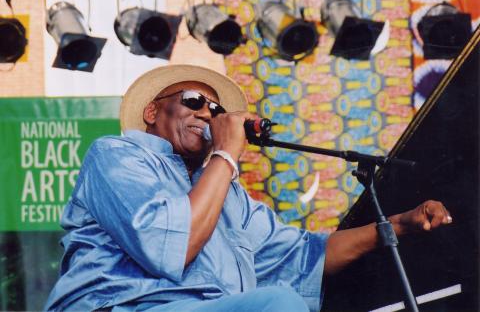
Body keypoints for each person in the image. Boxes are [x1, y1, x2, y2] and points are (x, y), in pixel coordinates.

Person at [44, 64, 452, 312]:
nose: (205, 113)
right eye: (192, 100)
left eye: (215, 109)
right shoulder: (119, 155)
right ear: (152, 111)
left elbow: (306, 255)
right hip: (121, 306)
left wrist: (400, 225)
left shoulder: (226, 194)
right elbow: (172, 243)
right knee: (278, 304)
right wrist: (225, 155)